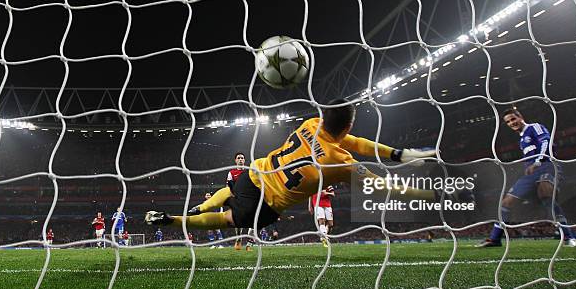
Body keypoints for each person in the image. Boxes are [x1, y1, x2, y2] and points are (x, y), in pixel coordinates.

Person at [146, 99, 448, 231]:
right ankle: (174, 220)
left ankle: (193, 209)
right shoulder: (341, 163)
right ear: (349, 124)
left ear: (324, 116)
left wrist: (399, 154)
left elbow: (354, 141)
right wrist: (431, 196)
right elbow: (381, 187)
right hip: (268, 205)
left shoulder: (311, 123)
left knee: (229, 191)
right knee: (226, 220)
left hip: (256, 173)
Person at [477, 108, 576, 247]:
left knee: (546, 195)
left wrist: (538, 161)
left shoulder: (534, 127)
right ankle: (495, 239)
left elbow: (545, 141)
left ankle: (569, 237)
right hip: (532, 173)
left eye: (513, 119)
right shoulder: (522, 140)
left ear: (520, 117)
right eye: (508, 122)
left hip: (546, 166)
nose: (512, 123)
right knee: (506, 202)